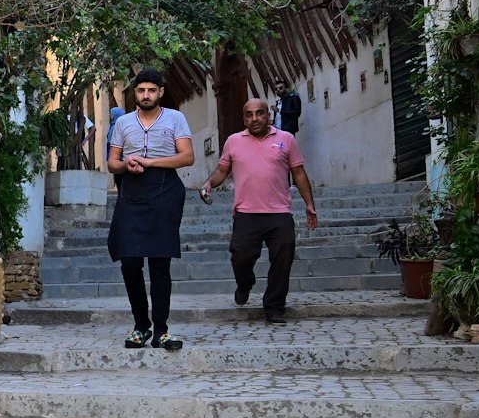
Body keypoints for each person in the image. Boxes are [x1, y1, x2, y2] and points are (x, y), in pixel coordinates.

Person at [200, 97, 320, 324]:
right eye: (249, 114)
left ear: (269, 115)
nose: (254, 118)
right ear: (244, 118)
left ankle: (274, 307)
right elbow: (221, 170)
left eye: (259, 113)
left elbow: (299, 173)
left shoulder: (286, 139)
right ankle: (245, 283)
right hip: (246, 214)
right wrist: (208, 184)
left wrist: (309, 205)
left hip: (280, 214)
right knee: (240, 257)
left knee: (283, 259)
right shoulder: (233, 141)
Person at [106, 68, 194, 351]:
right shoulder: (123, 123)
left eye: (151, 90)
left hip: (165, 191)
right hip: (132, 192)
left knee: (160, 262)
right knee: (129, 261)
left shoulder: (175, 118)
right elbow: (112, 163)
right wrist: (128, 164)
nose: (146, 95)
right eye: (141, 90)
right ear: (136, 93)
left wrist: (149, 162)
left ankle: (162, 331)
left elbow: (187, 157)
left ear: (161, 92)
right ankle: (141, 326)